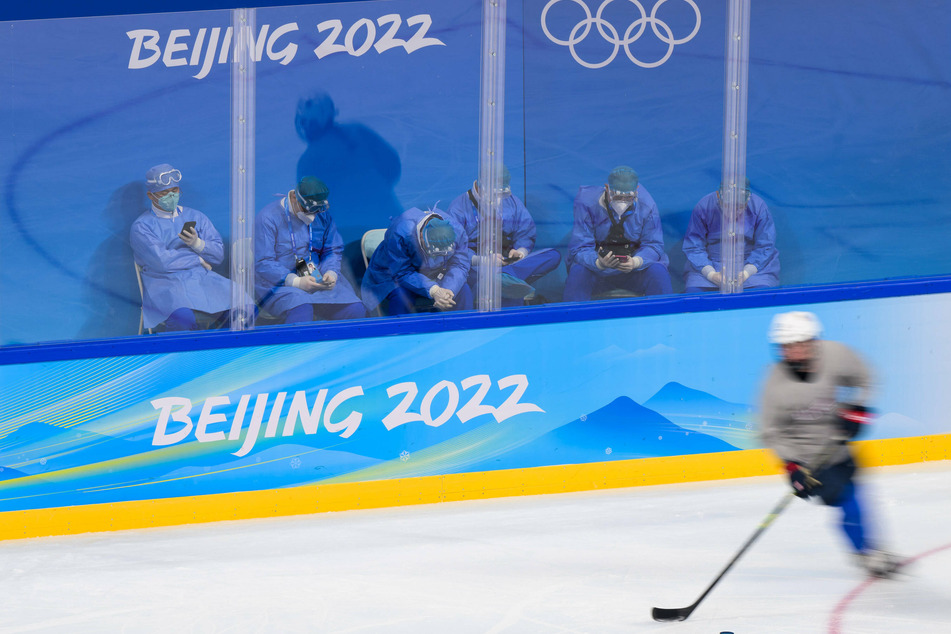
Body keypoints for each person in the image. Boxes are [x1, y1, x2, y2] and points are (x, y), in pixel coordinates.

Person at [759, 311, 900, 578]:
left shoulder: (836, 355)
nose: (795, 352)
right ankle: (865, 554)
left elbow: (865, 377)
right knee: (846, 499)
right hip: (808, 458)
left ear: (814, 342)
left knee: (857, 494)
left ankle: (870, 549)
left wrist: (857, 410)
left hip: (837, 443)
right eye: (787, 347)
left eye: (800, 344)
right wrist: (792, 466)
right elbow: (771, 432)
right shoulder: (774, 384)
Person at [130, 163, 248, 331]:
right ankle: (189, 356)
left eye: (175, 191)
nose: (171, 196)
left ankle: (220, 350)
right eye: (164, 193)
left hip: (200, 279)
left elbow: (218, 255)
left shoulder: (196, 217)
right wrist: (198, 259)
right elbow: (163, 263)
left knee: (244, 308)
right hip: (165, 285)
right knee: (182, 320)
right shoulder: (142, 227)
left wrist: (198, 244)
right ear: (151, 195)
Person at [254, 176, 365, 323]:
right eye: (308, 209)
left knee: (355, 309)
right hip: (279, 283)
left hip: (316, 277)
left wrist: (331, 272)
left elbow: (331, 250)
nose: (312, 215)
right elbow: (263, 262)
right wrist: (295, 282)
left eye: (317, 210)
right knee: (301, 309)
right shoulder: (268, 218)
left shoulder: (322, 215)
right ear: (294, 197)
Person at [446, 165, 561, 306]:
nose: (499, 198)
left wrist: (520, 251)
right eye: (495, 192)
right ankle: (504, 279)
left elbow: (525, 232)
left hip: (507, 261)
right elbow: (456, 252)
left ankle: (503, 277)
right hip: (477, 266)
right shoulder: (458, 209)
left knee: (553, 255)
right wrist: (485, 261)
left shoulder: (512, 202)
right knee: (467, 274)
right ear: (482, 184)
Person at [565, 166, 672, 301]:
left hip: (633, 270)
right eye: (617, 196)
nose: (622, 202)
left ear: (636, 190)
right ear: (607, 188)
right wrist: (599, 263)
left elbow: (654, 245)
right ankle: (574, 319)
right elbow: (579, 247)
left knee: (658, 272)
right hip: (598, 271)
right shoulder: (587, 204)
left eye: (628, 197)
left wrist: (636, 262)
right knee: (578, 272)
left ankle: (664, 319)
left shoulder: (647, 205)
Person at [361, 208, 472, 316]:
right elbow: (402, 272)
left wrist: (448, 290)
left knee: (463, 290)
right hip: (394, 274)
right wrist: (434, 290)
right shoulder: (400, 232)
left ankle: (466, 330)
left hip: (437, 274)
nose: (434, 258)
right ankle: (402, 333)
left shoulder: (457, 231)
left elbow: (460, 264)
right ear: (421, 238)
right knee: (401, 296)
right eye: (433, 253)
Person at [682, 180, 780, 292]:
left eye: (739, 208)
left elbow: (765, 246)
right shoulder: (704, 206)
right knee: (695, 296)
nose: (733, 213)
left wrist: (747, 272)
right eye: (728, 207)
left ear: (747, 200)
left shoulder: (758, 207)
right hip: (711, 262)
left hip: (753, 265)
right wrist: (711, 274)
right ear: (719, 197)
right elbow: (694, 246)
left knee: (760, 295)